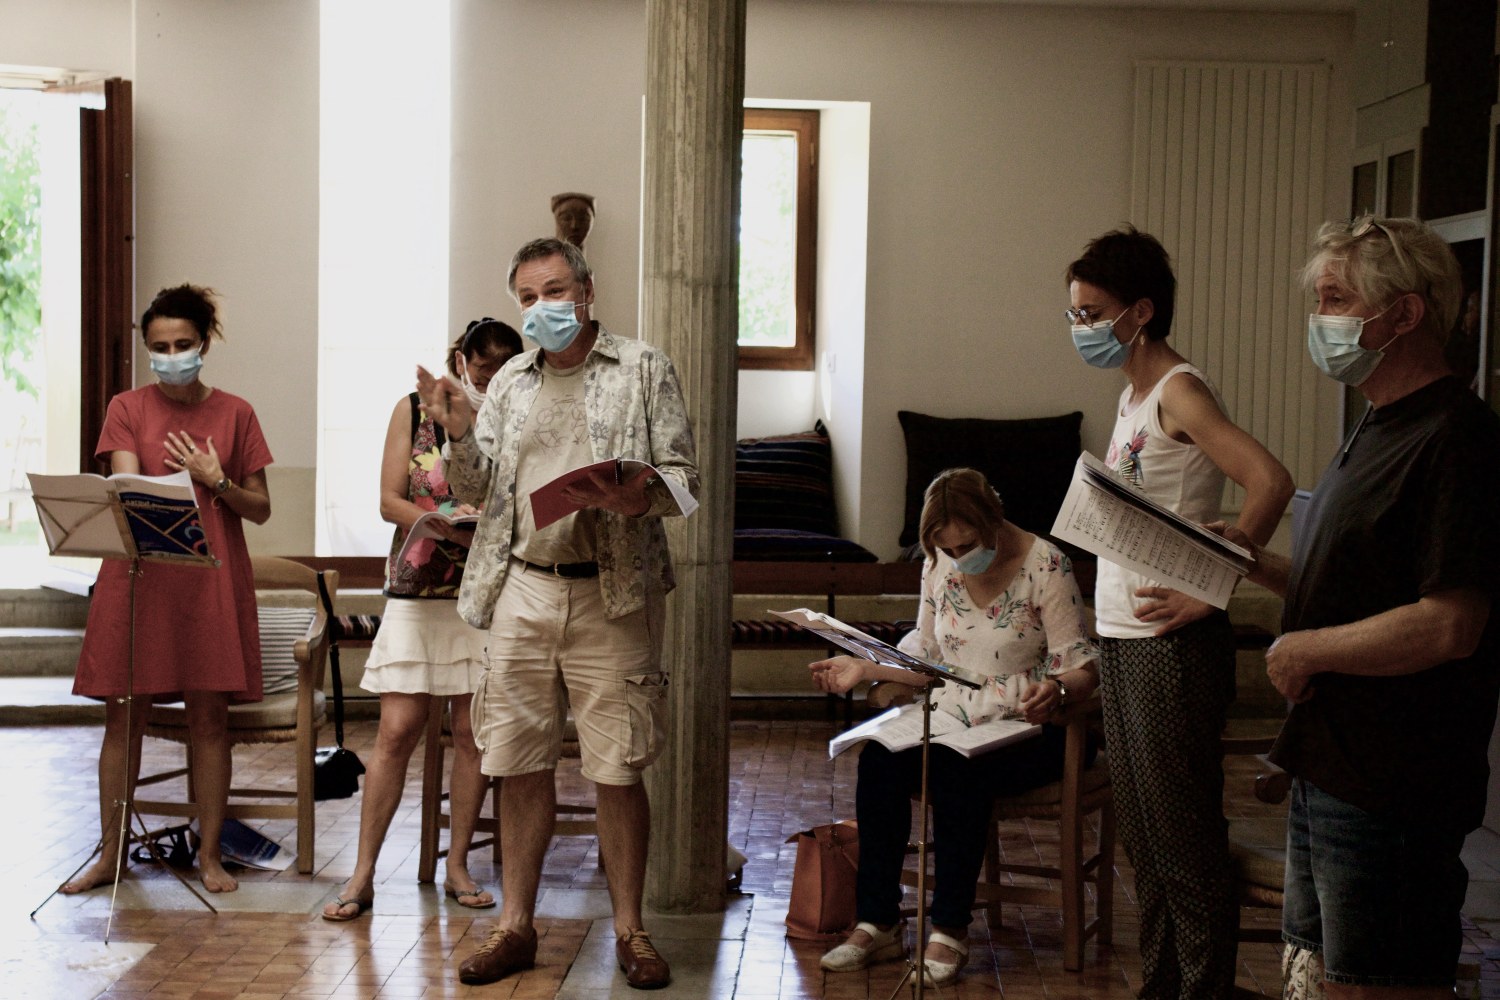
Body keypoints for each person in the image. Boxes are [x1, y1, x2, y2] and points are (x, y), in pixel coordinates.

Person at [1217, 217, 1500, 999]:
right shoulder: (1376, 421)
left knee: (1377, 984)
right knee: (1318, 978)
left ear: (1405, 314)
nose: (1320, 318)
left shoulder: (1458, 439)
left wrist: (1305, 650)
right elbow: (1357, 588)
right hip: (1332, 767)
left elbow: (1450, 623)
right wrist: (1255, 565)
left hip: (1394, 783)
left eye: (1336, 299)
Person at [415, 237, 698, 990]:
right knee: (518, 761)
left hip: (613, 589)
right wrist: (457, 430)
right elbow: (477, 486)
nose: (544, 307)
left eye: (556, 291)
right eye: (529, 298)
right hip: (523, 586)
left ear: (588, 290)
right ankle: (515, 926)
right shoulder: (510, 379)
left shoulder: (644, 368)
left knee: (617, 767)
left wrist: (636, 495)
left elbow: (684, 480)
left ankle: (632, 930)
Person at [1065, 226, 1293, 999]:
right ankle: (1161, 988)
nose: (1080, 328)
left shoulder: (1180, 389)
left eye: (1092, 313)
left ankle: (1202, 991)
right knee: (1147, 841)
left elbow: (1269, 480)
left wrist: (1215, 585)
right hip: (1124, 636)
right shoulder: (1131, 394)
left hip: (1172, 643)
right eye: (1074, 313)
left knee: (1184, 841)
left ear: (1141, 311)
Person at [810, 468, 1101, 988]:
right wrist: (865, 668)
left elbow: (1082, 664)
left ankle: (948, 929)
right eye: (946, 548)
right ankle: (877, 922)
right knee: (879, 761)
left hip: (1034, 723)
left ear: (993, 520)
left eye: (966, 544)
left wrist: (1057, 691)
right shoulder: (938, 562)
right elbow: (926, 657)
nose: (958, 556)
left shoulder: (1046, 563)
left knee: (955, 773)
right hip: (955, 714)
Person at [63, 283, 273, 895]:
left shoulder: (237, 413)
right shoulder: (126, 407)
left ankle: (209, 856)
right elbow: (127, 488)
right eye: (160, 347)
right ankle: (110, 856)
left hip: (210, 584)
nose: (172, 355)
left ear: (204, 344)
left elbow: (260, 508)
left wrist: (216, 480)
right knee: (123, 718)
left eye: (183, 344)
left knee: (209, 720)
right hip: (139, 580)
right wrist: (172, 486)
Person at [322, 317, 523, 922]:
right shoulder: (414, 411)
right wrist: (440, 525)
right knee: (396, 730)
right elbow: (389, 500)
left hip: (484, 592)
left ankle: (456, 863)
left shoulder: (515, 412)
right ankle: (362, 874)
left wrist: (485, 524)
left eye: (503, 371)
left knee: (471, 732)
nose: (492, 380)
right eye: (483, 370)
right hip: (419, 585)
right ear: (461, 362)